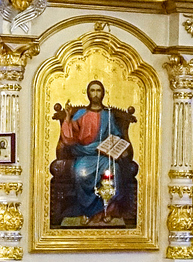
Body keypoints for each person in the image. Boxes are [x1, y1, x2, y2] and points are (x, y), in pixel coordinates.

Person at [51, 80, 136, 226]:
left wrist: (118, 148)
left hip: (103, 156)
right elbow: (70, 137)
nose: (95, 94)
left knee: (114, 170)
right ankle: (86, 211)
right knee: (80, 173)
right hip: (85, 154)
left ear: (102, 93)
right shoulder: (81, 114)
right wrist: (67, 117)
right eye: (92, 90)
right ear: (88, 93)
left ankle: (108, 211)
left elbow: (116, 135)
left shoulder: (107, 115)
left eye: (98, 91)